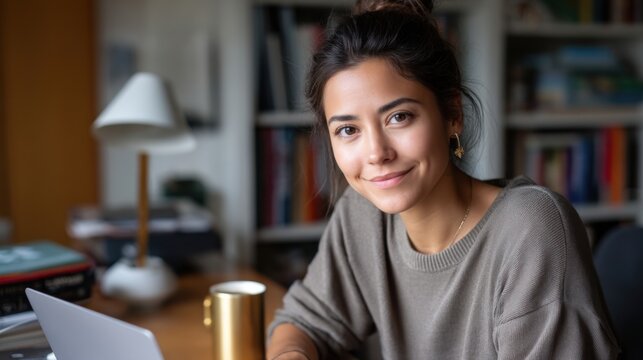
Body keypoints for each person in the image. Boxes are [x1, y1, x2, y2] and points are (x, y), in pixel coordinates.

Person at [266, 0, 619, 359]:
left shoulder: (531, 228)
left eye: (399, 117)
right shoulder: (362, 214)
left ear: (452, 114)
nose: (376, 153)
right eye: (347, 129)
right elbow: (304, 322)